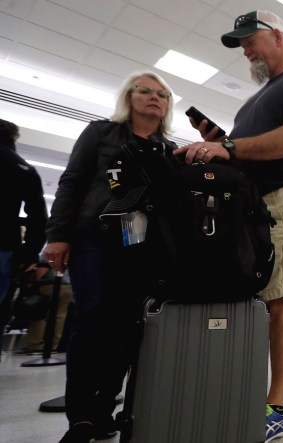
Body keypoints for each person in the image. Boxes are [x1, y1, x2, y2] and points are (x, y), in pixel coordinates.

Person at [174, 10, 283, 442]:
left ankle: (278, 408)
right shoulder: (253, 101)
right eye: (239, 43)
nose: (244, 49)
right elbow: (242, 152)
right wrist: (216, 138)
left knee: (279, 297)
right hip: (247, 205)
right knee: (250, 298)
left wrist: (227, 145)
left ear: (279, 36)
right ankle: (249, 395)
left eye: (250, 39)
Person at [44, 71, 177, 443]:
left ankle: (104, 411)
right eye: (145, 91)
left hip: (140, 245)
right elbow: (72, 182)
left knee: (128, 328)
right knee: (93, 319)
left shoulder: (167, 150)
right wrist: (58, 236)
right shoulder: (101, 134)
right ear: (128, 97)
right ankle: (81, 418)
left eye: (162, 94)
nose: (154, 97)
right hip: (95, 238)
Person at [0, 118, 47, 309]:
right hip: (4, 245)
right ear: (14, 137)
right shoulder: (25, 169)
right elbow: (39, 218)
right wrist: (29, 253)